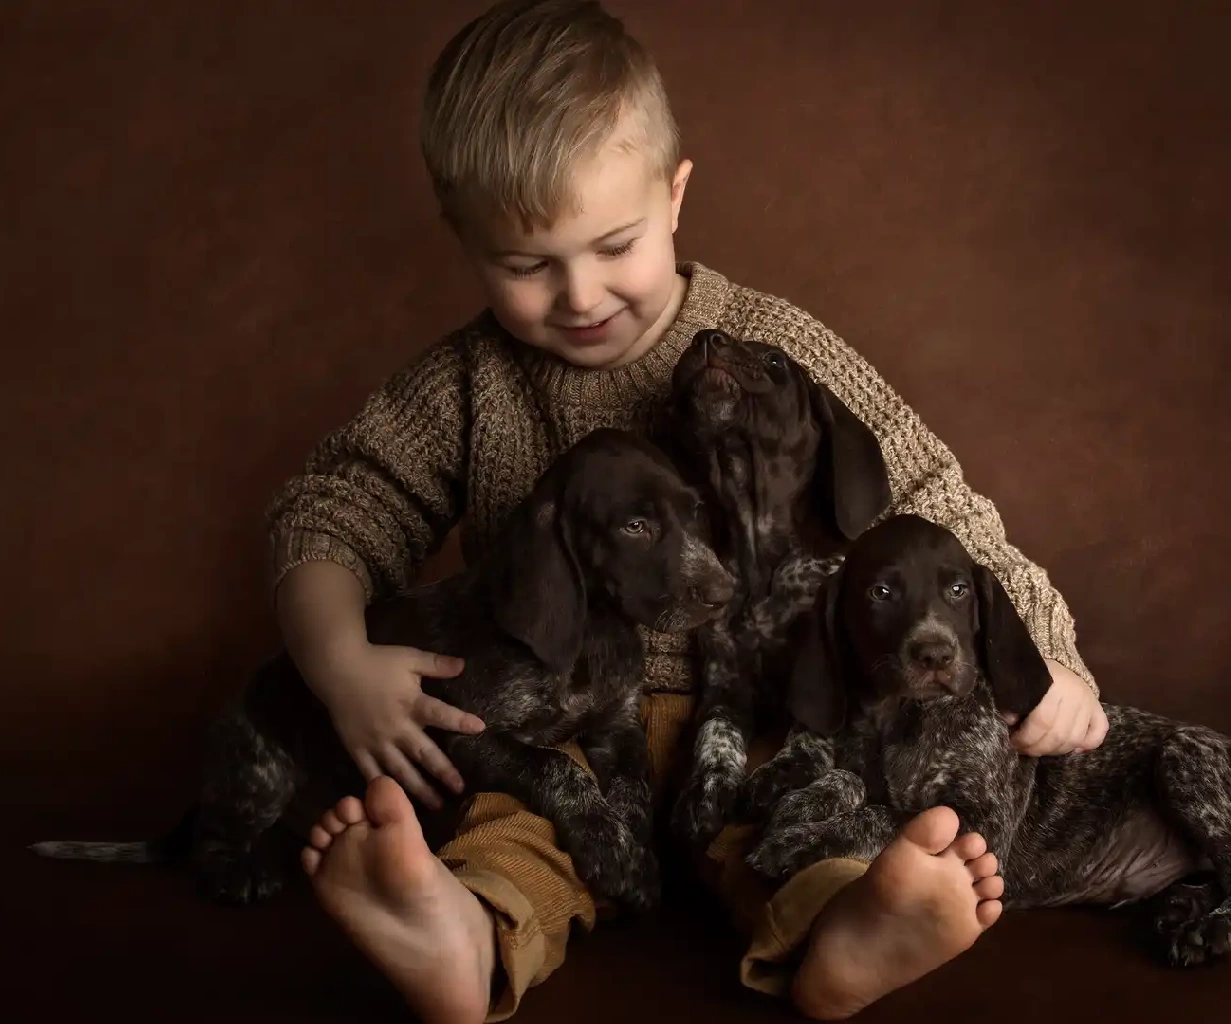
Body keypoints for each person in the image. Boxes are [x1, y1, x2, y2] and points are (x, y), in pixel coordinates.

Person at [272, 2, 1109, 1021]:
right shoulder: (466, 384)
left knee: (798, 820)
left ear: (673, 197)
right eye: (527, 266)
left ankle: (848, 923)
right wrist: (335, 660)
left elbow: (935, 501)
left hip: (763, 707)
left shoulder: (767, 348)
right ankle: (467, 929)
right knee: (512, 823)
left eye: (613, 245)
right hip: (565, 720)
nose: (580, 294)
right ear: (467, 244)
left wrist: (1050, 652)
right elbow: (337, 502)